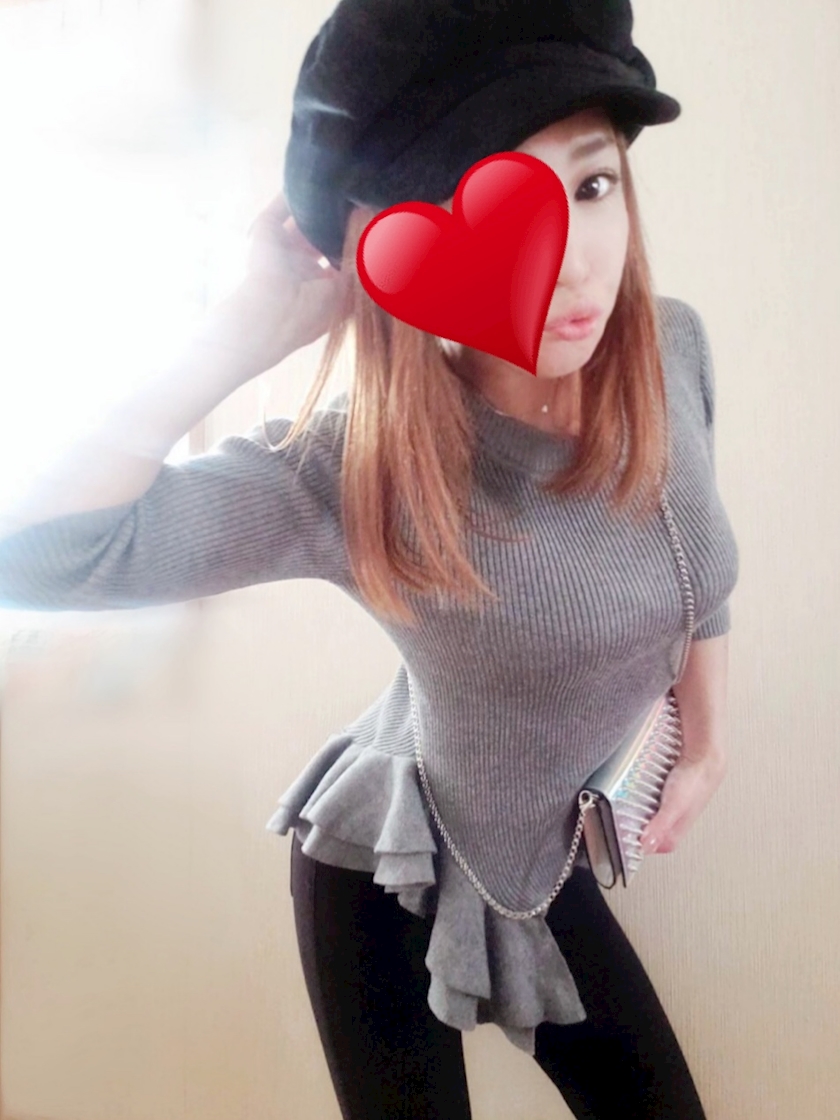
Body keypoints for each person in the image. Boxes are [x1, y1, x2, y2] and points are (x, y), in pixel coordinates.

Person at [0, 1, 740, 1118]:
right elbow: (39, 555)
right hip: (382, 867)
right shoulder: (358, 471)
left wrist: (706, 741)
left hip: (543, 858)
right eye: (491, 209)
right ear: (405, 250)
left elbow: (700, 572)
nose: (569, 265)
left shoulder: (673, 346)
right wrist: (243, 330)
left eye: (592, 184)